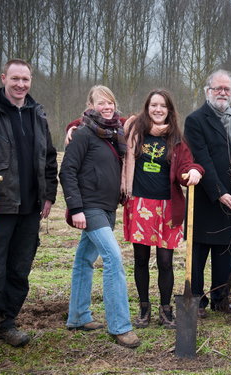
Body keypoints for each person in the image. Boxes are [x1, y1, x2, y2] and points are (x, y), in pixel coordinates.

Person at [0, 59, 58, 347]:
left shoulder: (38, 115)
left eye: (26, 79)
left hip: (30, 209)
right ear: (3, 78)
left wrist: (48, 196)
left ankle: (4, 323)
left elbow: (48, 159)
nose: (21, 84)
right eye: (15, 79)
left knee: (19, 272)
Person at [59, 85, 140, 349]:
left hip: (107, 206)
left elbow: (139, 122)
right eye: (101, 103)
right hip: (90, 206)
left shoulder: (116, 133)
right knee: (114, 259)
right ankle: (120, 326)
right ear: (91, 105)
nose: (107, 107)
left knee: (85, 259)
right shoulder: (82, 134)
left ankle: (78, 316)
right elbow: (67, 171)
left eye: (110, 103)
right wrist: (76, 208)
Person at [121, 89, 204, 329]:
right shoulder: (133, 131)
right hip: (140, 204)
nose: (158, 109)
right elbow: (101, 115)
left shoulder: (176, 138)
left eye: (163, 106)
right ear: (147, 108)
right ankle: (144, 308)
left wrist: (195, 171)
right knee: (140, 258)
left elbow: (187, 164)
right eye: (153, 105)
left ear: (169, 110)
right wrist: (72, 128)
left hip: (168, 206)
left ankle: (166, 310)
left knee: (165, 261)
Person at [184, 69, 231, 318]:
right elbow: (202, 158)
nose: (222, 93)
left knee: (226, 251)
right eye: (217, 88)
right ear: (207, 91)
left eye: (227, 89)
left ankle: (221, 300)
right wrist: (219, 192)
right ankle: (197, 301)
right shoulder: (195, 120)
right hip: (205, 196)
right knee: (199, 252)